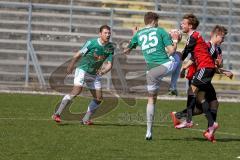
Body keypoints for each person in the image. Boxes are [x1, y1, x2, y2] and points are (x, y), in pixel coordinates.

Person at [171, 25, 233, 142]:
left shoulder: (218, 50)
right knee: (202, 100)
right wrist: (184, 68)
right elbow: (195, 60)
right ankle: (209, 126)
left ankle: (182, 117)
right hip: (200, 75)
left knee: (212, 104)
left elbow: (215, 66)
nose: (223, 40)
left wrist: (221, 67)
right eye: (222, 37)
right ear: (216, 35)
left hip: (206, 78)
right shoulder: (207, 46)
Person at [123, 12, 180, 140]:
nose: (158, 23)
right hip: (164, 66)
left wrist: (134, 36)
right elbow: (172, 51)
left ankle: (148, 132)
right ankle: (172, 85)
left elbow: (126, 50)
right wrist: (175, 39)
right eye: (157, 21)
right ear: (154, 21)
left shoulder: (139, 34)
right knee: (178, 56)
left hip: (151, 71)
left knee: (151, 99)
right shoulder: (160, 31)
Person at [52, 25, 114, 125]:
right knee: (77, 91)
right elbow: (78, 55)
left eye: (109, 33)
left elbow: (110, 65)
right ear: (100, 34)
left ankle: (85, 119)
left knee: (98, 98)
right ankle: (57, 114)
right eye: (105, 33)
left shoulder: (110, 47)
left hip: (94, 74)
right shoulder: (91, 43)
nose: (108, 35)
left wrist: (102, 72)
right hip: (83, 70)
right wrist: (70, 66)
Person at [173, 14, 218, 141]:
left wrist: (174, 44)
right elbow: (191, 55)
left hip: (205, 67)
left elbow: (185, 52)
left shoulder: (193, 37)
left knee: (191, 90)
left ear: (190, 25)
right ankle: (211, 124)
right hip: (206, 68)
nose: (181, 25)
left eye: (184, 23)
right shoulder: (194, 37)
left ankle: (188, 120)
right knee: (200, 96)